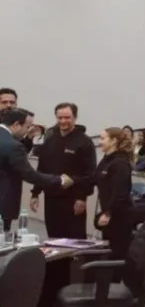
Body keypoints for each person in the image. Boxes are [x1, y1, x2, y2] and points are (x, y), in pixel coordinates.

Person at [29, 102, 97, 239]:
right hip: (51, 198)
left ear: (75, 117)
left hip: (73, 199)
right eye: (60, 118)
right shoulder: (50, 139)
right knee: (54, 237)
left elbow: (90, 174)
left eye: (67, 118)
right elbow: (42, 168)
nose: (63, 121)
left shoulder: (84, 142)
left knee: (74, 239)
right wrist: (35, 193)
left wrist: (81, 197)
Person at [0, 108, 70, 231]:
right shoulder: (13, 145)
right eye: (27, 127)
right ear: (16, 125)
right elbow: (28, 174)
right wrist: (59, 180)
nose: (27, 131)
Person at [90, 127, 136, 263]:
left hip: (120, 215)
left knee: (117, 252)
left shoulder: (120, 163)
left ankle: (116, 281)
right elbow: (93, 178)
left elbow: (120, 192)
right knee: (109, 249)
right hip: (109, 212)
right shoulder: (106, 160)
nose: (100, 142)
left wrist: (108, 213)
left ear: (114, 141)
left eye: (103, 138)